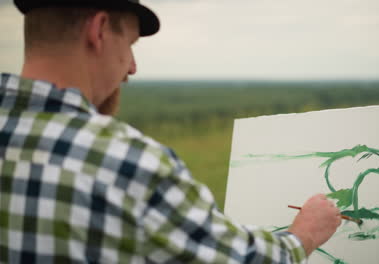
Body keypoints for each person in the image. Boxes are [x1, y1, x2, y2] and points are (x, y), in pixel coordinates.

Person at [0, 0, 341, 263]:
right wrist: (304, 234)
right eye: (130, 44)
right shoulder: (125, 160)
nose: (132, 66)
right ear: (99, 30)